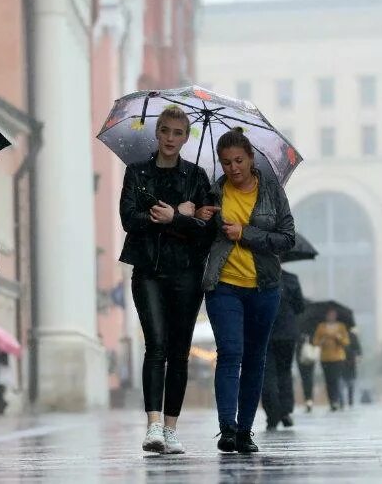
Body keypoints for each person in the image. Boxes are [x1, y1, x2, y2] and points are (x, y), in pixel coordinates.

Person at [118, 106, 215, 455]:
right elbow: (129, 218)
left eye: (178, 133)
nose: (171, 138)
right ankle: (153, 425)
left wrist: (177, 217)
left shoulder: (197, 177)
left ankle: (172, 428)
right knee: (156, 345)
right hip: (148, 270)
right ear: (157, 133)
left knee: (180, 352)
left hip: (187, 272)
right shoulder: (137, 172)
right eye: (165, 131)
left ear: (186, 138)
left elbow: (207, 231)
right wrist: (173, 217)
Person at [202, 128, 295, 454]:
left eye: (238, 160)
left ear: (251, 158)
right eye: (226, 163)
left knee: (255, 359)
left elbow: (287, 238)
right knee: (230, 353)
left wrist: (246, 233)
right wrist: (200, 219)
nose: (233, 168)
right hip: (223, 286)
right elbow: (201, 240)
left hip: (264, 288)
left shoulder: (272, 191)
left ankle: (245, 431)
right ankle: (227, 427)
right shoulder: (213, 193)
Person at [261, 270, 305, 430]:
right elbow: (300, 306)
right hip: (287, 333)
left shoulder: (260, 275)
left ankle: (272, 415)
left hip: (265, 330)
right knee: (284, 372)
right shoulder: (291, 279)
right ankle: (285, 412)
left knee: (267, 374)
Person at [313, 308, 350, 411]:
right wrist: (322, 340)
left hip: (338, 357)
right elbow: (315, 341)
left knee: (336, 379)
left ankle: (337, 400)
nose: (331, 316)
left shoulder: (341, 326)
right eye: (329, 314)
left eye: (333, 314)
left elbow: (346, 342)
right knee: (328, 380)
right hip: (325, 358)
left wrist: (338, 337)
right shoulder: (321, 327)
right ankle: (332, 402)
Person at [296, 333, 318, 413]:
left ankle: (309, 399)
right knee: (307, 378)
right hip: (303, 351)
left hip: (309, 351)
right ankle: (308, 399)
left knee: (307, 378)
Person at [341, 328, 362, 408]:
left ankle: (350, 402)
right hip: (340, 364)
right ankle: (341, 402)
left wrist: (358, 356)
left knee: (350, 385)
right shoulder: (339, 334)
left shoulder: (352, 336)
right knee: (341, 385)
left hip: (351, 365)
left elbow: (358, 349)